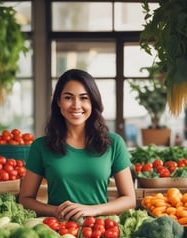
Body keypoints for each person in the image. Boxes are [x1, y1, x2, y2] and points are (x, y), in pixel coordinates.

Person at [19, 69, 136, 221]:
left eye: (84, 98)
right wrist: (56, 210)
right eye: (68, 97)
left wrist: (93, 210)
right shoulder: (41, 146)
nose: (76, 105)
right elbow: (25, 200)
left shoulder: (114, 143)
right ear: (58, 102)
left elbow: (129, 199)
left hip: (99, 229)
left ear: (93, 102)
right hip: (57, 229)